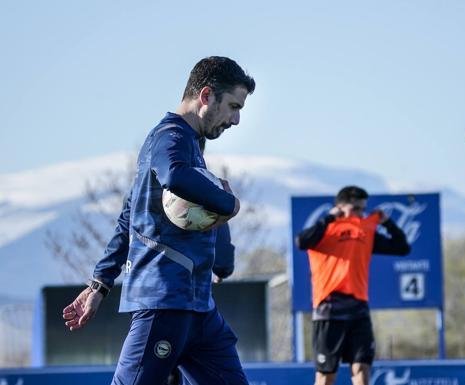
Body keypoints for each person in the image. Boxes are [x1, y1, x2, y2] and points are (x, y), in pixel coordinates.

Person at [62, 56, 255, 385]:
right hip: (164, 303)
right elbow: (175, 176)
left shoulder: (192, 145)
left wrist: (99, 284)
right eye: (233, 106)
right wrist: (230, 203)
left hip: (199, 308)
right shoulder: (169, 137)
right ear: (206, 95)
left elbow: (129, 216)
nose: (236, 119)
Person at [296, 186, 411, 385]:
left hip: (358, 309)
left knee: (361, 369)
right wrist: (329, 218)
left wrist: (388, 223)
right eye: (356, 208)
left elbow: (402, 247)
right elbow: (301, 241)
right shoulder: (324, 230)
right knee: (326, 375)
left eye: (363, 209)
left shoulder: (363, 232)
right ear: (340, 207)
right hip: (328, 310)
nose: (360, 213)